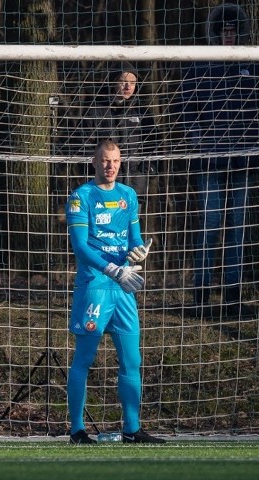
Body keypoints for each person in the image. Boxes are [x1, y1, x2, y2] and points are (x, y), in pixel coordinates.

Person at [64, 139, 164, 445]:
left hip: (123, 287)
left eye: (116, 161)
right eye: (106, 161)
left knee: (132, 359)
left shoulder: (128, 196)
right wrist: (112, 269)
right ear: (94, 162)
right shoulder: (81, 197)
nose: (111, 166)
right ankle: (77, 430)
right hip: (95, 286)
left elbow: (136, 238)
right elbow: (80, 246)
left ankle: (132, 428)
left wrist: (138, 253)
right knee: (84, 358)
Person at [177, 3, 259, 309]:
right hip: (209, 160)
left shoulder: (254, 64)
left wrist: (254, 143)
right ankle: (201, 293)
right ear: (216, 33)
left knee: (237, 226)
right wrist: (199, 140)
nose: (228, 36)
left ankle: (233, 294)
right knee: (209, 223)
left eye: (233, 30)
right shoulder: (200, 64)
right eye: (224, 31)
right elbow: (184, 107)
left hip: (243, 160)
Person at [86, 63, 157, 205]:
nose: (128, 87)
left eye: (132, 83)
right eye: (123, 82)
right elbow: (85, 143)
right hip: (104, 184)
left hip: (137, 184)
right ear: (113, 82)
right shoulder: (96, 110)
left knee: (132, 225)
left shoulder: (142, 112)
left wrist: (148, 169)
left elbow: (154, 142)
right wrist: (96, 170)